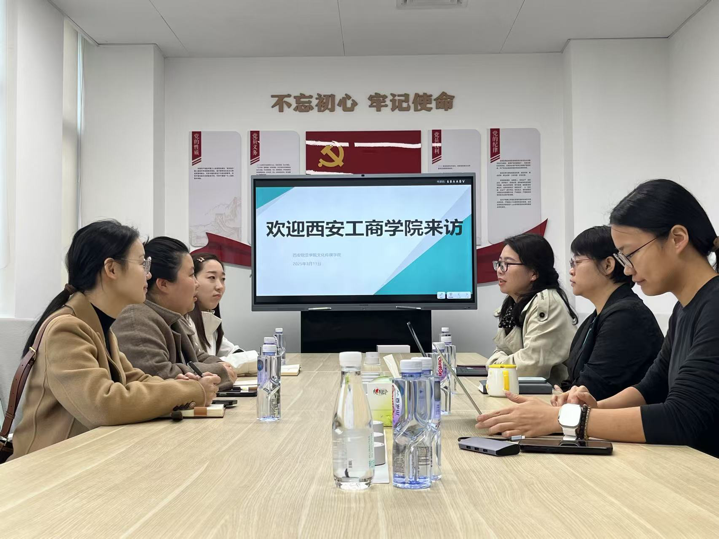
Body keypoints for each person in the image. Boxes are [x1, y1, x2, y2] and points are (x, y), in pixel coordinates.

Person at [476, 179, 719, 458]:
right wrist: (590, 409)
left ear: (677, 239)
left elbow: (681, 418)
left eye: (630, 254)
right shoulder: (683, 309)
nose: (627, 270)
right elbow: (651, 388)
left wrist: (563, 419)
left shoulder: (713, 306)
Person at [9, 221, 220, 460]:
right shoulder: (66, 329)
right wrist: (189, 390)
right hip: (44, 467)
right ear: (111, 269)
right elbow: (103, 404)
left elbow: (135, 379)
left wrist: (183, 387)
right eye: (142, 263)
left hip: (81, 458)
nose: (149, 274)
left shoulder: (99, 327)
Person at [114, 237, 236, 390]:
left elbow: (197, 356)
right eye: (191, 275)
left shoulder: (172, 316)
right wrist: (220, 370)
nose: (196, 284)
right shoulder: (135, 319)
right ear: (163, 284)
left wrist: (220, 365)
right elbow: (161, 376)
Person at [562, 226, 664, 400]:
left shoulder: (626, 316)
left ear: (608, 265)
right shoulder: (597, 316)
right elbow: (574, 380)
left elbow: (593, 389)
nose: (571, 270)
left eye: (577, 262)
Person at [486, 233, 577, 385]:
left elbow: (530, 366)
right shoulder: (512, 304)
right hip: (526, 389)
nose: (500, 270)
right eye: (499, 263)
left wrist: (494, 365)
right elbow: (502, 350)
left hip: (554, 393)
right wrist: (497, 364)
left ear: (533, 273)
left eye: (507, 264)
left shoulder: (546, 303)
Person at [187, 253, 256, 375]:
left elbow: (232, 351)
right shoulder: (184, 322)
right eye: (212, 277)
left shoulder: (209, 319)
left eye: (223, 279)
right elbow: (199, 365)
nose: (220, 286)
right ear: (193, 280)